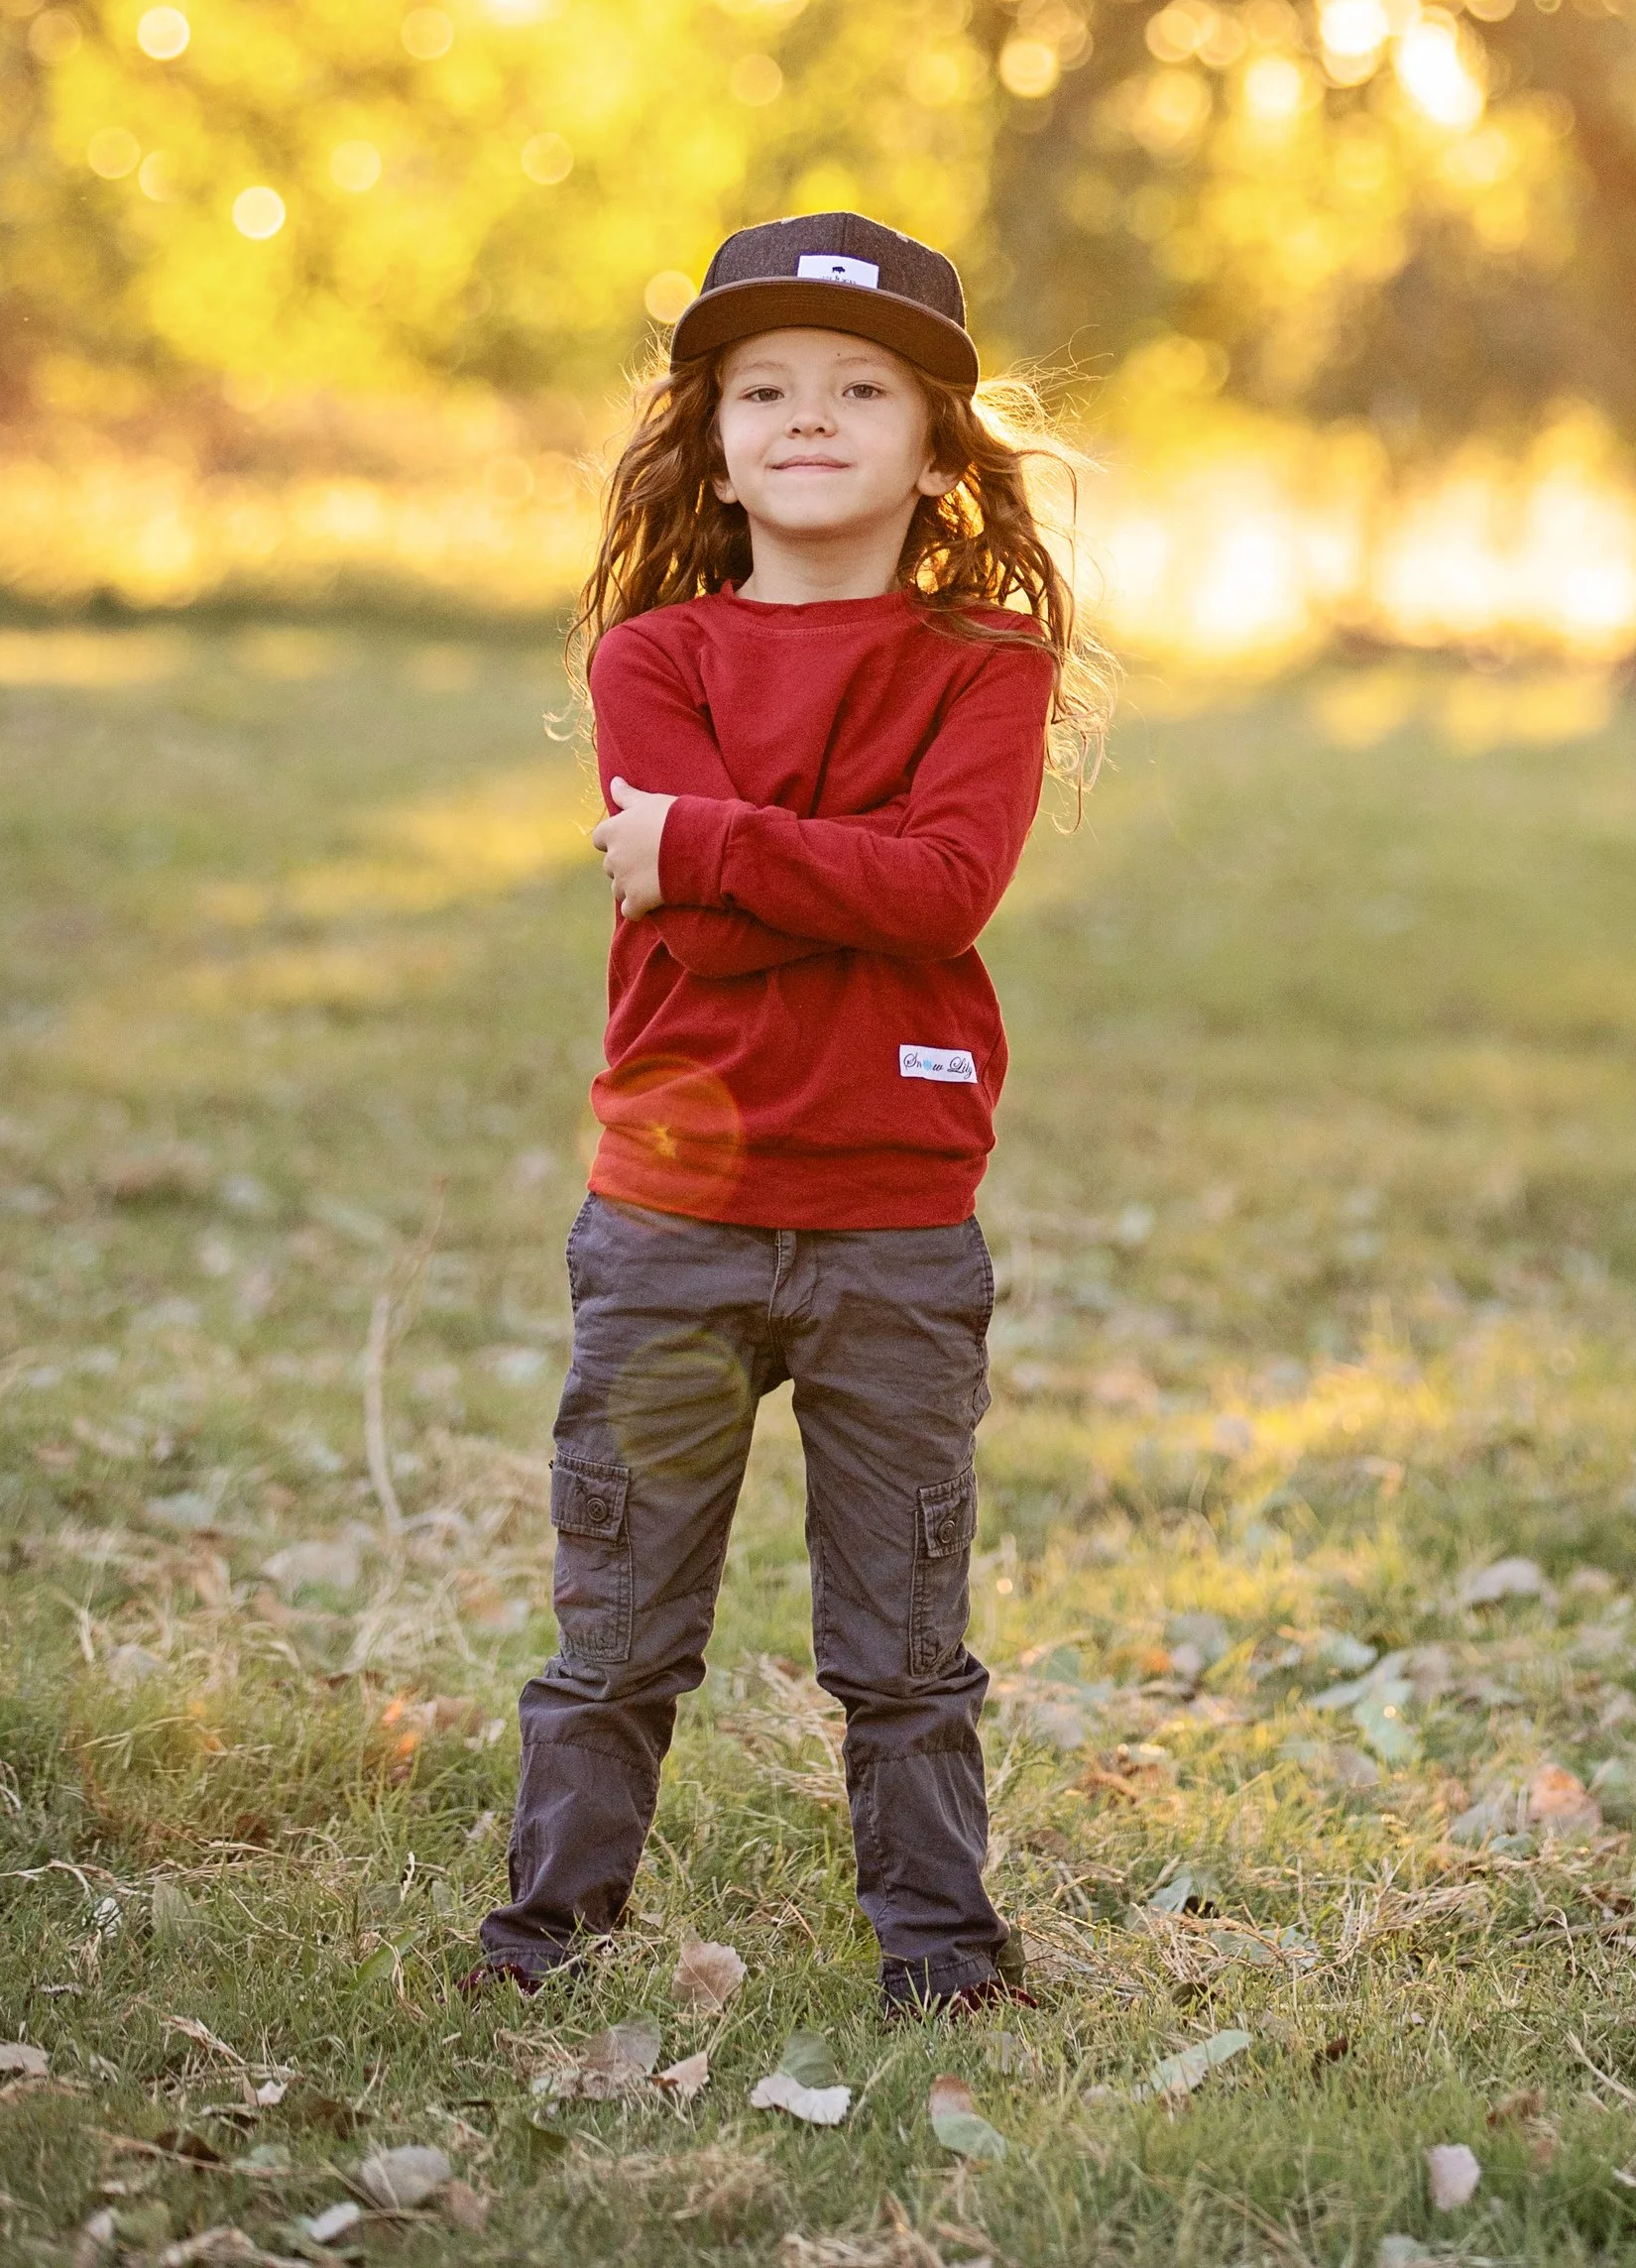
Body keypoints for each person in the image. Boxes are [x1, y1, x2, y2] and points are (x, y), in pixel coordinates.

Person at [474, 209, 1096, 2016]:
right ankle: (544, 1948)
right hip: (670, 1211)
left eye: (857, 386)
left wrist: (706, 846)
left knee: (904, 1646)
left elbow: (941, 890)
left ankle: (942, 1959)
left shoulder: (984, 663)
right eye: (762, 387)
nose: (806, 415)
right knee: (618, 1631)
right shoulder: (650, 659)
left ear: (933, 441)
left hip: (896, 1217)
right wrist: (844, 867)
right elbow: (822, 911)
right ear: (714, 435)